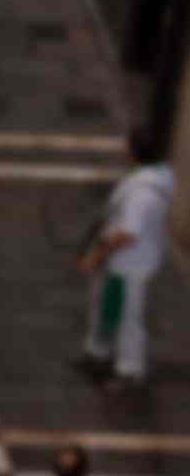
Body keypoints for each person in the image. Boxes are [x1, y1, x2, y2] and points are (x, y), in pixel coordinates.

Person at [77, 128, 175, 392]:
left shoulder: (143, 194)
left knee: (127, 319)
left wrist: (95, 256)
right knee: (110, 309)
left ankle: (129, 370)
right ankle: (99, 353)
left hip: (129, 263)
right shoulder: (160, 178)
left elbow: (127, 234)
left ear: (134, 152)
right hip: (131, 261)